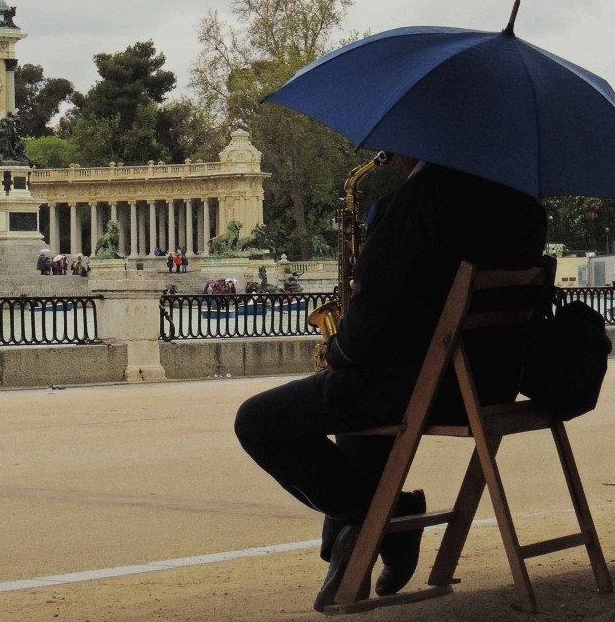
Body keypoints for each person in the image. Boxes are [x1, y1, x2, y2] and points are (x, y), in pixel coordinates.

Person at [234, 157, 547, 611]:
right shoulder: (523, 205)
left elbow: (370, 331)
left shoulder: (418, 203)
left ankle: (383, 519)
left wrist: (337, 352)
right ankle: (355, 539)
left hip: (424, 387)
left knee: (257, 421)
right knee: (354, 410)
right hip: (492, 385)